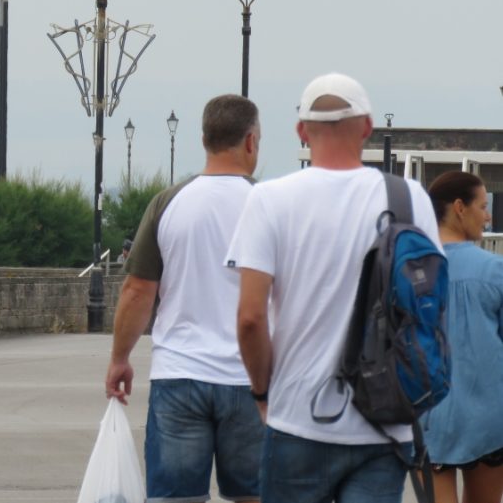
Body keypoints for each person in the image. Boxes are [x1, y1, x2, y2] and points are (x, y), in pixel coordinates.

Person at [226, 73, 442, 503]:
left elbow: (250, 318)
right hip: (384, 419)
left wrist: (263, 392)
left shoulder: (270, 199)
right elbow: (432, 306)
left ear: (301, 131)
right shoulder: (409, 197)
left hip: (298, 417)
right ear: (366, 126)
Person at [106, 94, 263, 503]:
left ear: (203, 139)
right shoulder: (269, 205)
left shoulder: (168, 203)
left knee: (176, 497)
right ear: (250, 142)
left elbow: (138, 290)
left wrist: (120, 359)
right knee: (255, 494)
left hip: (180, 374)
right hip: (250, 379)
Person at [420, 171, 503, 503]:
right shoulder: (494, 271)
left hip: (428, 417)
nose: (488, 215)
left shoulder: (410, 269)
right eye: (483, 206)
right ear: (459, 207)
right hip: (488, 418)